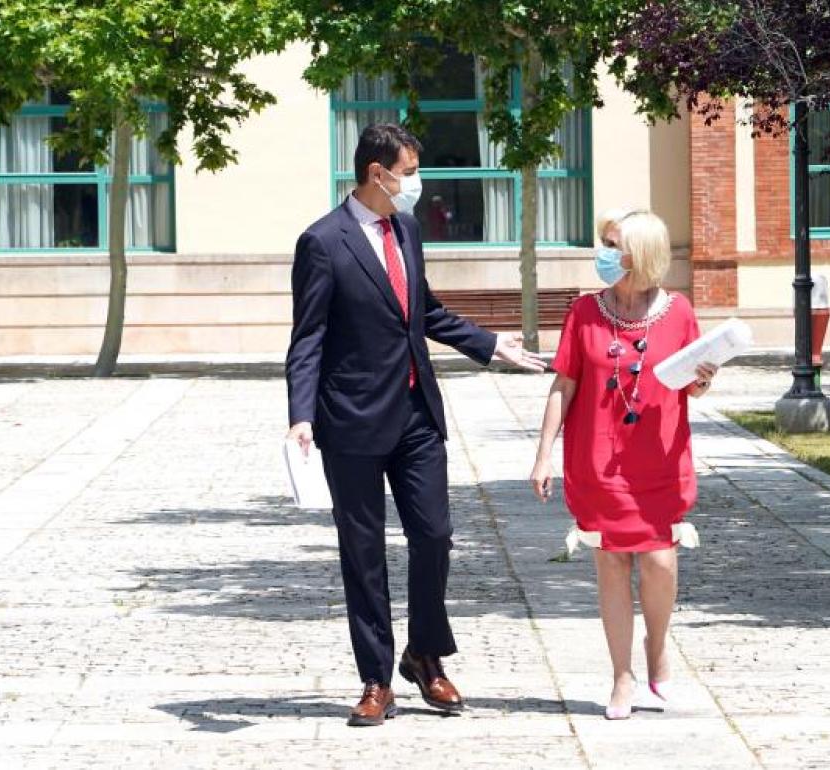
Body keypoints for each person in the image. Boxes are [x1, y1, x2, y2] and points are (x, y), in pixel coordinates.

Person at [286, 123, 545, 727]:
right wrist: (301, 414)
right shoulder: (322, 242)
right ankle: (376, 678)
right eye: (407, 171)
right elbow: (309, 337)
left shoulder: (404, 228)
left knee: (434, 535)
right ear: (378, 174)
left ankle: (424, 654)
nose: (415, 184)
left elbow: (421, 310)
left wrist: (490, 344)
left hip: (416, 414)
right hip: (350, 421)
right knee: (364, 551)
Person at [529, 209, 719, 720]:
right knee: (611, 565)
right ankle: (622, 676)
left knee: (660, 561)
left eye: (614, 244)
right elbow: (563, 384)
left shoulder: (679, 312)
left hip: (659, 460)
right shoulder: (584, 312)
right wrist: (543, 453)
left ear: (644, 254)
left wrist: (704, 379)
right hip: (597, 463)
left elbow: (693, 386)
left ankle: (658, 652)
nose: (605, 252)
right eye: (605, 243)